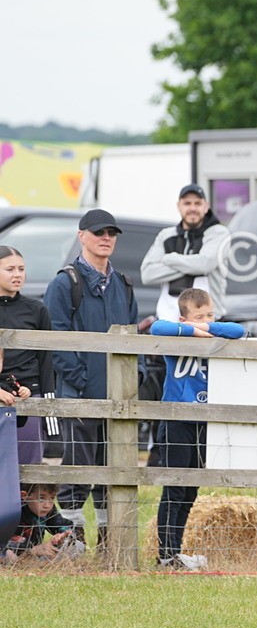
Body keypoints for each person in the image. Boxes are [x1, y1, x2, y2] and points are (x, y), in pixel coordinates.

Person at [43, 209, 140, 552]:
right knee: (78, 469)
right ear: (81, 235)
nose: (106, 238)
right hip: (80, 395)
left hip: (117, 396)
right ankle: (71, 539)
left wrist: (133, 379)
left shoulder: (123, 284)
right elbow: (56, 336)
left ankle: (110, 541)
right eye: (99, 232)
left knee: (112, 471)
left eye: (111, 232)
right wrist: (81, 381)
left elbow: (133, 337)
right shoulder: (64, 283)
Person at [149, 288, 245, 570]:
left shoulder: (216, 332)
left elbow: (238, 330)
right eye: (198, 316)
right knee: (175, 488)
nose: (206, 320)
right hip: (177, 419)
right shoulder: (174, 333)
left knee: (191, 490)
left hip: (205, 420)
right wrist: (191, 333)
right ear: (183, 318)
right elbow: (157, 326)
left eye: (210, 315)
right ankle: (166, 554)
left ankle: (176, 552)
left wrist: (205, 327)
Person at [141, 183, 231, 322]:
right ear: (179, 206)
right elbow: (147, 274)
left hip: (209, 322)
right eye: (187, 203)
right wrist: (193, 266)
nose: (192, 208)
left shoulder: (219, 233)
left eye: (197, 203)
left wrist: (170, 259)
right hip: (168, 321)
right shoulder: (166, 235)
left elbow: (204, 264)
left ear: (206, 206)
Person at [0, 245, 54, 464]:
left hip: (28, 395)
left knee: (29, 466)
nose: (17, 275)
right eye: (10, 269)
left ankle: (24, 500)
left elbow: (46, 360)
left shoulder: (36, 309)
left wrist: (46, 404)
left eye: (21, 269)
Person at [3, 484, 81, 562]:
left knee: (78, 546)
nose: (47, 505)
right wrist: (33, 549)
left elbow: (63, 526)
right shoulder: (12, 511)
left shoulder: (48, 510)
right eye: (41, 498)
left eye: (51, 498)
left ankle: (39, 564)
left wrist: (63, 535)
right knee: (9, 556)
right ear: (24, 496)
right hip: (13, 551)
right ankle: (24, 564)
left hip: (36, 553)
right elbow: (4, 543)